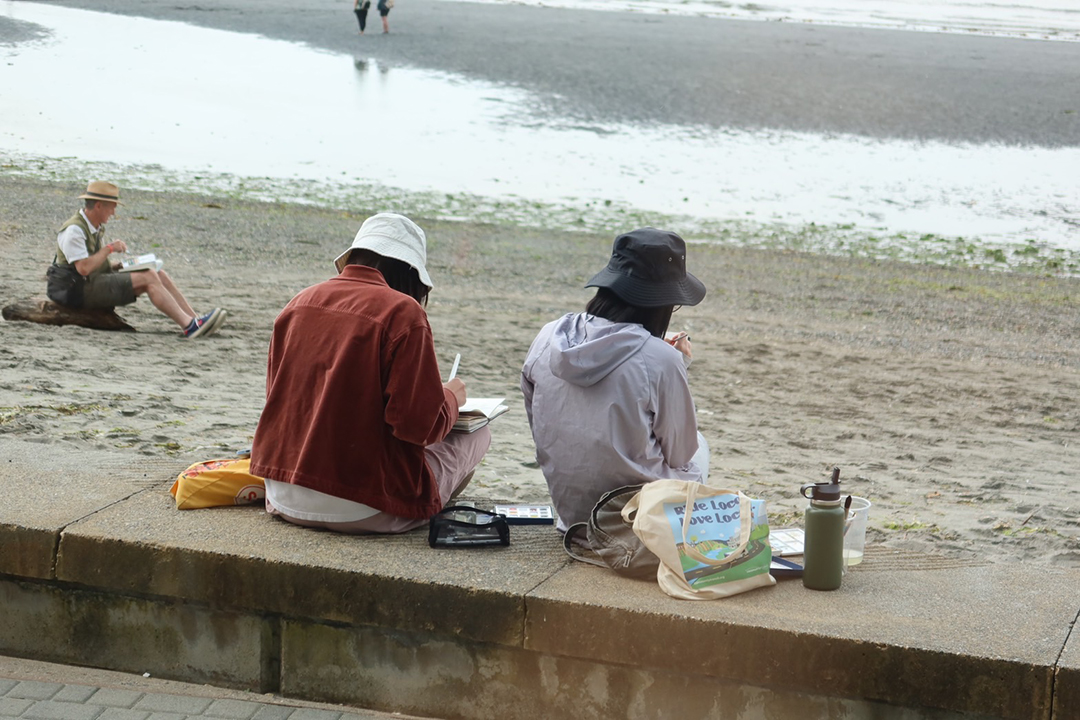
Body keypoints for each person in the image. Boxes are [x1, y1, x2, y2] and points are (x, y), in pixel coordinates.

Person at [250, 213, 490, 534]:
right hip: (362, 507)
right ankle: (422, 508)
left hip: (282, 493)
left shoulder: (298, 303)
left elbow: (279, 400)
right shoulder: (403, 312)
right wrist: (450, 398)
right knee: (477, 434)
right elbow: (417, 427)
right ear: (411, 274)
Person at [521, 227, 709, 533]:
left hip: (573, 514)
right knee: (700, 446)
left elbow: (538, 421)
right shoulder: (661, 360)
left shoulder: (548, 337)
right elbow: (680, 453)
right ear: (663, 303)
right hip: (635, 520)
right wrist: (674, 365)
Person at [48, 181, 225, 339]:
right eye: (112, 206)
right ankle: (189, 326)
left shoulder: (93, 225)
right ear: (99, 206)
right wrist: (109, 249)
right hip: (76, 291)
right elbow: (83, 268)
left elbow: (91, 263)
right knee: (148, 278)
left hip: (89, 282)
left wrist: (121, 266)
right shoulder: (74, 230)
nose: (114, 212)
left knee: (157, 273)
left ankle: (194, 319)